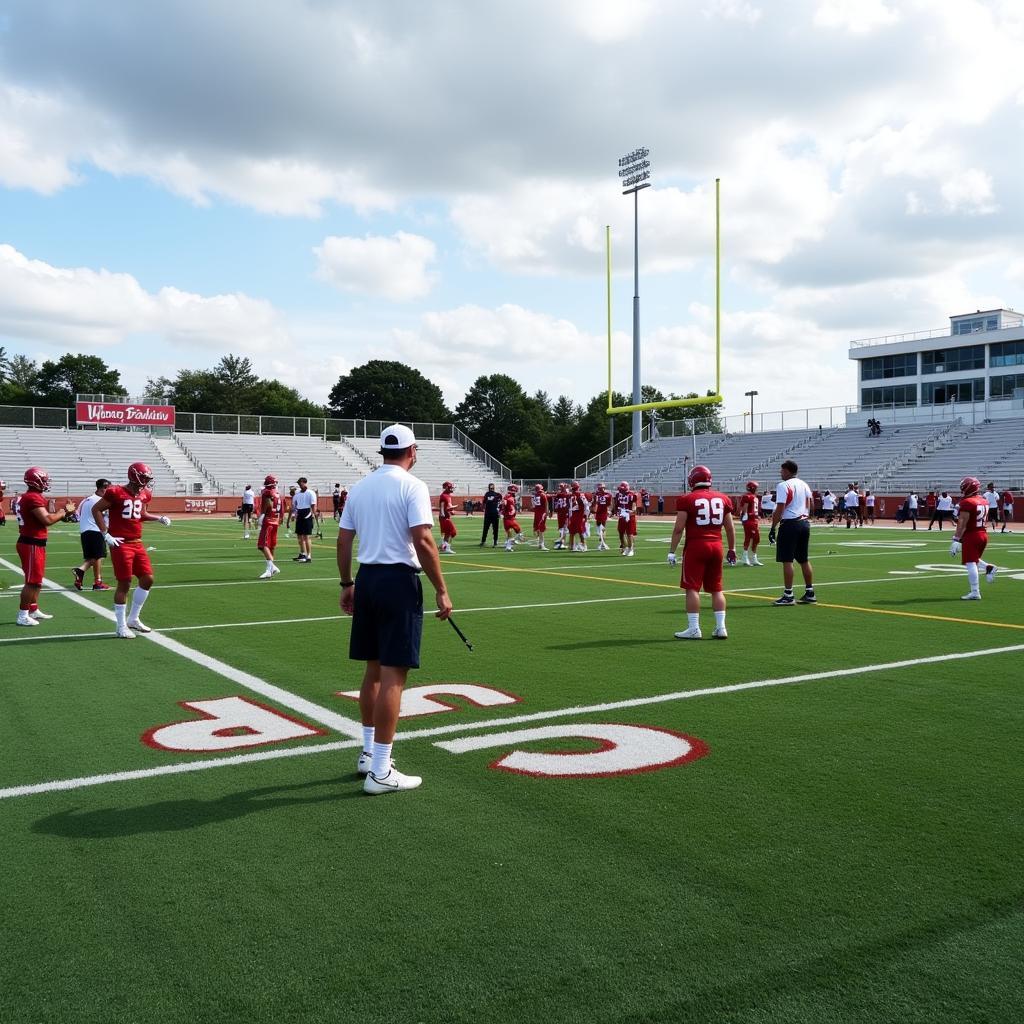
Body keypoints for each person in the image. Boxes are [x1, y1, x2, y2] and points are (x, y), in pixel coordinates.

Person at [337, 423, 452, 795]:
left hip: (367, 577)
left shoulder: (361, 486)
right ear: (412, 451)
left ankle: (369, 754)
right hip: (397, 581)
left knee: (373, 670)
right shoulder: (412, 486)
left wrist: (346, 583)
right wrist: (442, 590)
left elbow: (343, 539)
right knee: (393, 675)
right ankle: (382, 770)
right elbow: (423, 540)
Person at [91, 462, 172, 638]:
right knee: (125, 582)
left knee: (147, 579)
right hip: (120, 543)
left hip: (137, 542)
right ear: (133, 476)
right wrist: (105, 534)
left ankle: (133, 618)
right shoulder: (115, 492)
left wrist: (158, 518)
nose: (146, 481)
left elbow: (140, 514)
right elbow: (96, 509)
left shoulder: (145, 494)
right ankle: (120, 626)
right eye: (143, 478)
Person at [667, 464, 736, 639]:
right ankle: (721, 627)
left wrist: (672, 551)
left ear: (692, 479)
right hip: (717, 545)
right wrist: (732, 548)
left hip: (696, 546)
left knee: (692, 588)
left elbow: (678, 528)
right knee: (717, 589)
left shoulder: (687, 499)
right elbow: (730, 528)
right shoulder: (723, 498)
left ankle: (694, 628)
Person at [12, 467, 75, 627]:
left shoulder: (32, 497)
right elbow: (47, 520)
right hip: (31, 543)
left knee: (36, 580)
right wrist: (62, 512)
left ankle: (32, 609)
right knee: (32, 581)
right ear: (36, 480)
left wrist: (65, 514)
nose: (46, 482)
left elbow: (46, 519)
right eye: (44, 480)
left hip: (33, 542)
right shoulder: (33, 497)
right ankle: (22, 614)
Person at [768, 459, 815, 606]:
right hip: (804, 522)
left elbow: (780, 508)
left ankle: (788, 594)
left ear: (787, 471)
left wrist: (773, 527)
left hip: (790, 523)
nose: (780, 473)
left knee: (787, 560)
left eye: (782, 470)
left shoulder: (783, 485)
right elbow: (810, 504)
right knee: (804, 559)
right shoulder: (804, 484)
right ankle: (810, 592)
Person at [950, 476, 998, 600]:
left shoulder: (967, 502)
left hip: (972, 534)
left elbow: (962, 523)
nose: (962, 489)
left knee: (970, 563)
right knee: (972, 559)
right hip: (982, 534)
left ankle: (975, 591)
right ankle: (989, 567)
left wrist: (956, 539)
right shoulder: (984, 500)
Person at [73, 478, 113, 591]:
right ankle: (80, 571)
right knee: (98, 556)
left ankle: (95, 581)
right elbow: (105, 518)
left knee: (93, 557)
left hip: (84, 531)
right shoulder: (101, 501)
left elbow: (77, 515)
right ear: (104, 488)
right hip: (95, 530)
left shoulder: (86, 500)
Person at [256, 474, 283, 579]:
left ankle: (271, 567)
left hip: (268, 520)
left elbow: (268, 504)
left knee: (263, 545)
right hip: (275, 520)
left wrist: (261, 515)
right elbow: (281, 508)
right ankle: (270, 569)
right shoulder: (277, 493)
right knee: (271, 546)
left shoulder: (267, 493)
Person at [291, 477, 317, 562]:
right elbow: (294, 506)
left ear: (305, 482)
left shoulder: (311, 493)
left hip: (307, 513)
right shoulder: (297, 494)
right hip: (300, 514)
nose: (299, 484)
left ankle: (308, 556)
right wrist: (294, 514)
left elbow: (313, 505)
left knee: (306, 536)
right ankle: (302, 554)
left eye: (300, 483)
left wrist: (313, 515)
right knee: (299, 536)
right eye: (298, 483)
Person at [738, 480, 763, 565]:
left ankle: (753, 558)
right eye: (756, 488)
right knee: (748, 538)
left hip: (754, 520)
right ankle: (745, 557)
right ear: (753, 488)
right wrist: (743, 517)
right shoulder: (747, 496)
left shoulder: (754, 497)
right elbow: (745, 508)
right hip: (749, 520)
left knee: (756, 539)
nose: (757, 489)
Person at [613, 480, 638, 557]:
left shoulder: (632, 495)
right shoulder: (618, 495)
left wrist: (631, 511)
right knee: (621, 532)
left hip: (629, 516)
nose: (621, 490)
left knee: (629, 533)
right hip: (622, 515)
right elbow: (616, 505)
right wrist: (615, 511)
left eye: (622, 488)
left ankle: (631, 549)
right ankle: (625, 547)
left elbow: (634, 506)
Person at [501, 485, 524, 551]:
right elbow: (504, 504)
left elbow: (504, 504)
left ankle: (508, 545)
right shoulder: (509, 497)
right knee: (519, 532)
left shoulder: (508, 496)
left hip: (507, 517)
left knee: (509, 532)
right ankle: (511, 542)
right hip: (510, 518)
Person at [566, 481, 588, 552]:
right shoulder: (570, 495)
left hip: (579, 513)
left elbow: (585, 504)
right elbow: (569, 506)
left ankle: (584, 544)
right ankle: (572, 545)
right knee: (572, 530)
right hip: (573, 513)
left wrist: (585, 514)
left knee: (579, 530)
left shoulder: (580, 494)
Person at [591, 482, 612, 551]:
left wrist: (609, 511)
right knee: (598, 527)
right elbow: (594, 503)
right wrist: (592, 511)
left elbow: (610, 504)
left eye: (602, 488)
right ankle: (601, 542)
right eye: (600, 488)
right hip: (598, 512)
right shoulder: (596, 494)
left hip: (603, 512)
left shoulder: (608, 494)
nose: (601, 489)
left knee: (602, 527)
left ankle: (602, 542)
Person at [438, 481, 457, 554]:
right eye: (451, 487)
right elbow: (443, 506)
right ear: (447, 487)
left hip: (445, 516)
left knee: (448, 533)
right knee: (453, 532)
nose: (452, 489)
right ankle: (446, 547)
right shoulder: (445, 495)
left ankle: (443, 546)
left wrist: (451, 511)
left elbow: (446, 507)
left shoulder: (447, 495)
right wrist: (454, 507)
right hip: (444, 517)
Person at [480, 482, 501, 547]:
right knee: (494, 529)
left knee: (487, 528)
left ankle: (484, 541)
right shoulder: (497, 494)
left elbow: (483, 504)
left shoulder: (487, 494)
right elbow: (501, 504)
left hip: (489, 513)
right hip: (492, 513)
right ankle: (494, 542)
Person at [530, 483, 549, 550]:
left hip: (537, 513)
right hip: (542, 513)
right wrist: (547, 512)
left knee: (538, 528)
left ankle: (540, 542)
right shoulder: (542, 494)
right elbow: (546, 503)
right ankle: (541, 544)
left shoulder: (535, 495)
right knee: (541, 529)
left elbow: (532, 505)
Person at [552, 482, 569, 549]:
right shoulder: (566, 494)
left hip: (560, 513)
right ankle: (560, 543)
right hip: (564, 513)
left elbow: (556, 505)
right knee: (564, 529)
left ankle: (561, 543)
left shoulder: (559, 495)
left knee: (562, 528)